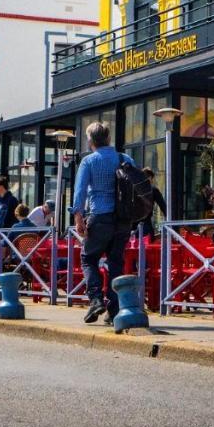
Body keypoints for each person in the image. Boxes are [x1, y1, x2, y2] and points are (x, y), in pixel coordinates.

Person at [71, 121, 135, 325]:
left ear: (90, 141)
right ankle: (114, 310)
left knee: (88, 258)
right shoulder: (125, 159)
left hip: (100, 216)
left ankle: (96, 299)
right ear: (108, 139)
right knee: (116, 262)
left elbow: (80, 192)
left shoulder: (89, 162)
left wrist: (78, 218)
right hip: (123, 219)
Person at [137, 168, 166, 238]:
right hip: (146, 225)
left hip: (132, 226)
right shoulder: (153, 190)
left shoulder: (134, 189)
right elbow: (163, 206)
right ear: (150, 178)